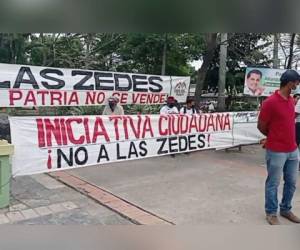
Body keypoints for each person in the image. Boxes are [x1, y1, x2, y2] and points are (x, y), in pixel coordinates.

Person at [257, 69, 300, 225]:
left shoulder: (290, 101)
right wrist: (272, 137)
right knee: (273, 183)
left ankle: (286, 209)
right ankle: (271, 212)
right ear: (289, 83)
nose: (298, 85)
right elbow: (261, 126)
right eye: (296, 82)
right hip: (276, 151)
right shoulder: (270, 103)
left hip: (293, 150)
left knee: (292, 182)